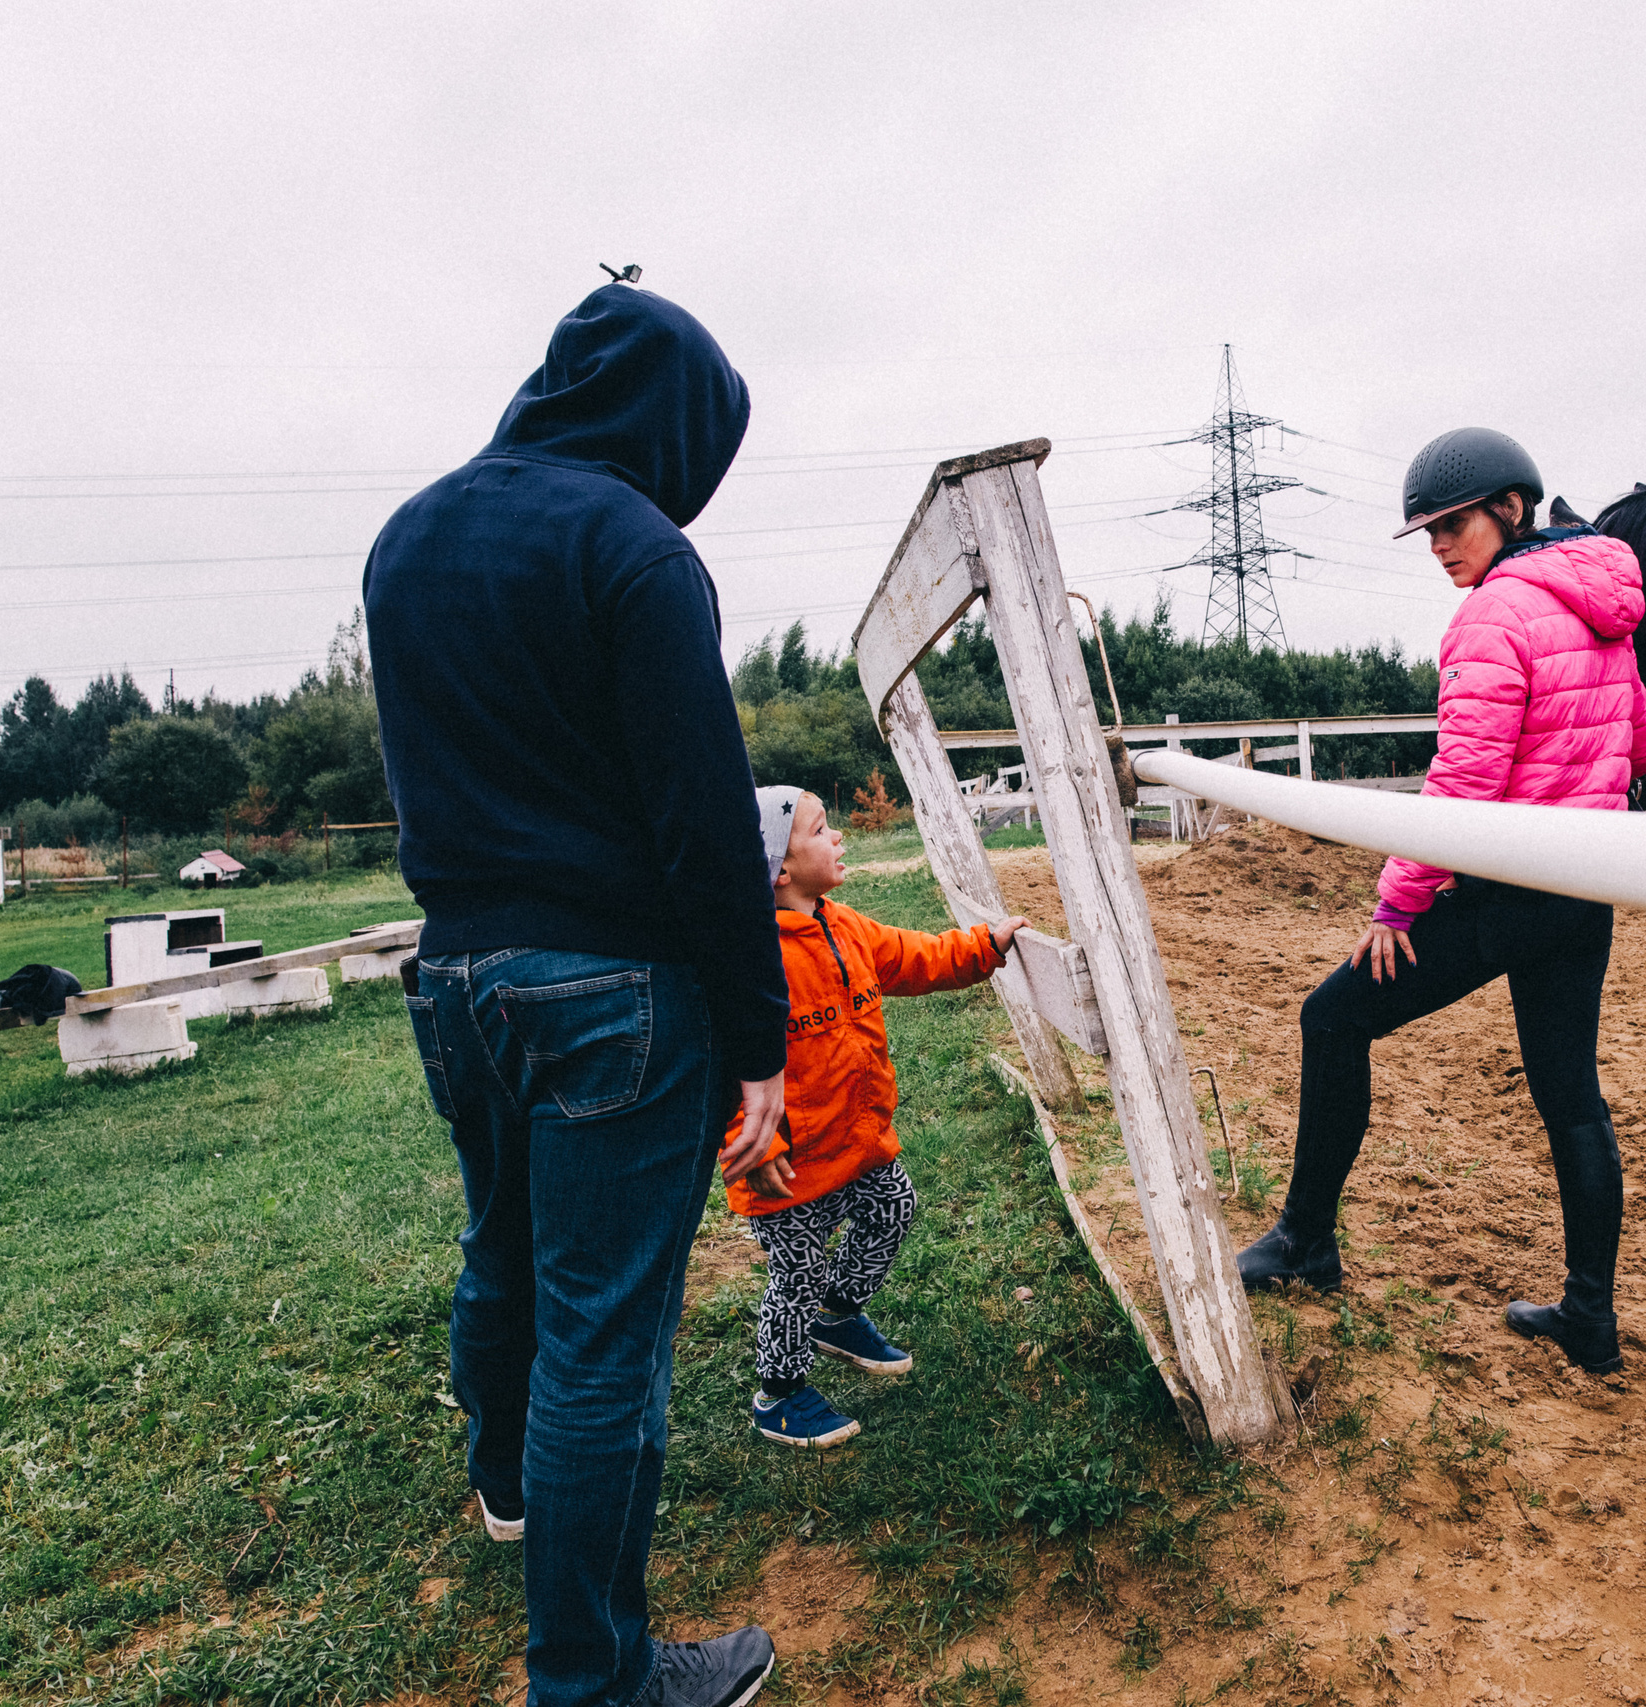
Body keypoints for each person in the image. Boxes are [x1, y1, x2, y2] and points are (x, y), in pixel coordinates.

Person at [366, 280, 785, 1707]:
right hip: (616, 988)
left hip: (452, 972)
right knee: (605, 1335)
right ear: (672, 424)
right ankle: (595, 1681)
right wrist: (760, 1036)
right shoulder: (635, 547)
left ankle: (505, 1484)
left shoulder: (405, 538)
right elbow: (705, 818)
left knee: (503, 1245)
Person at [1234, 427, 1646, 1376]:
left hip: (1506, 887)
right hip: (1582, 888)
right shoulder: (1605, 609)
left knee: (1332, 1018)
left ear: (1511, 508)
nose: (1438, 546)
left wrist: (1397, 905)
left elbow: (1463, 779)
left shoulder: (1493, 616)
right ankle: (1590, 1317)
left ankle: (1306, 1240)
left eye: (1451, 524)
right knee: (1571, 1097)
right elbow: (1643, 745)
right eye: (1426, 532)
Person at [723, 786, 1026, 1447]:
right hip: (788, 1167)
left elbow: (921, 956)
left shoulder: (848, 927)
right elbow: (726, 1062)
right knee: (796, 1271)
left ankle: (839, 1313)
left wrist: (987, 945)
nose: (838, 838)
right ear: (777, 866)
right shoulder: (750, 962)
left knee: (893, 1206)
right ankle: (778, 1392)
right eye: (822, 829)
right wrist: (754, 1138)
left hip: (856, 1145)